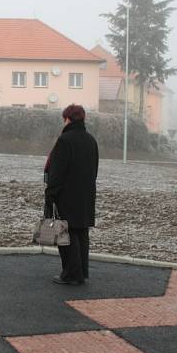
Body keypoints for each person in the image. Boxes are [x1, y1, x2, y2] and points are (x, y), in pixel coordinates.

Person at [44, 104, 99, 285]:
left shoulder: (65, 141)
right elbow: (94, 170)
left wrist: (51, 193)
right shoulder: (91, 140)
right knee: (81, 233)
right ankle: (81, 273)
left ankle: (70, 274)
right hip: (86, 194)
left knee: (66, 235)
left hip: (66, 195)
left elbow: (58, 171)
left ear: (67, 119)